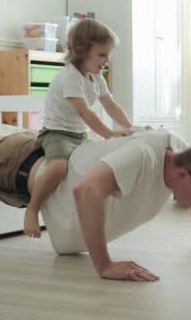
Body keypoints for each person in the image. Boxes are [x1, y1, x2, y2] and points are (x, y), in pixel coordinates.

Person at [0, 126, 191, 282]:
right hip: (17, 165)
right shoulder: (143, 157)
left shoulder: (182, 155)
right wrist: (105, 266)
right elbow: (86, 190)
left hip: (33, 169)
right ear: (181, 174)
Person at [24, 18, 135, 239]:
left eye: (108, 55)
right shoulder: (71, 76)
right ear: (82, 51)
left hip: (78, 133)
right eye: (102, 55)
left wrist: (130, 127)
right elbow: (85, 112)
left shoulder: (95, 77)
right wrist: (110, 134)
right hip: (56, 133)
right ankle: (33, 208)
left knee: (95, 166)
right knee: (58, 168)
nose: (107, 61)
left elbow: (110, 105)